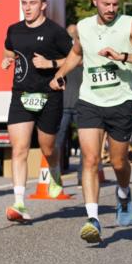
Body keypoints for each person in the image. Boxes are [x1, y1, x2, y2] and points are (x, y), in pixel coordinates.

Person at [51, 0, 132, 244]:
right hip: (90, 101)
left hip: (120, 101)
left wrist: (122, 56)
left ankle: (124, 193)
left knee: (120, 162)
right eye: (106, 4)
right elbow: (77, 53)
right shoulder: (84, 27)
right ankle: (93, 219)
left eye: (114, 4)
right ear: (94, 1)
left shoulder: (130, 24)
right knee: (90, 160)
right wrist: (60, 73)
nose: (111, 9)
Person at [0, 0, 72, 222]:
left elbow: (75, 58)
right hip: (21, 95)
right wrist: (7, 60)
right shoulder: (14, 30)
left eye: (32, 3)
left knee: (47, 147)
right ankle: (19, 202)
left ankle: (54, 172)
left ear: (43, 5)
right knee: (18, 149)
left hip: (49, 95)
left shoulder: (55, 32)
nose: (27, 7)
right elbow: (9, 50)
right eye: (24, 2)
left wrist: (50, 64)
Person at [56, 23, 83, 174]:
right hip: (75, 102)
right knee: (83, 143)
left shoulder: (65, 52)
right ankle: (79, 175)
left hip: (71, 102)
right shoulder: (80, 51)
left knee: (59, 142)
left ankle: (55, 175)